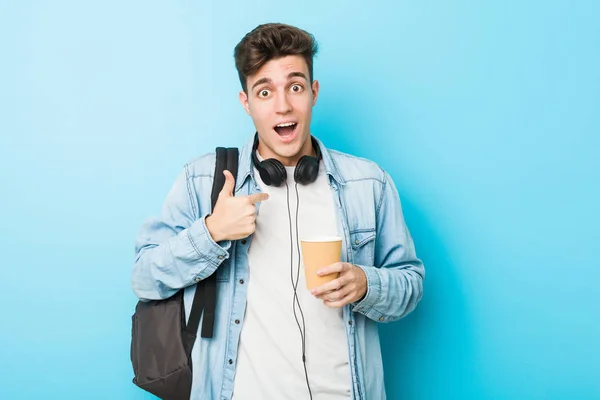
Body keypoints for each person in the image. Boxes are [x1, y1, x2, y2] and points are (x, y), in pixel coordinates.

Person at [132, 22, 425, 400]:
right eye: (265, 91)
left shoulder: (369, 184)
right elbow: (144, 277)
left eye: (295, 87)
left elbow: (411, 283)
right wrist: (211, 232)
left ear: (313, 92)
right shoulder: (202, 179)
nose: (283, 105)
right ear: (246, 102)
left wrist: (367, 284)